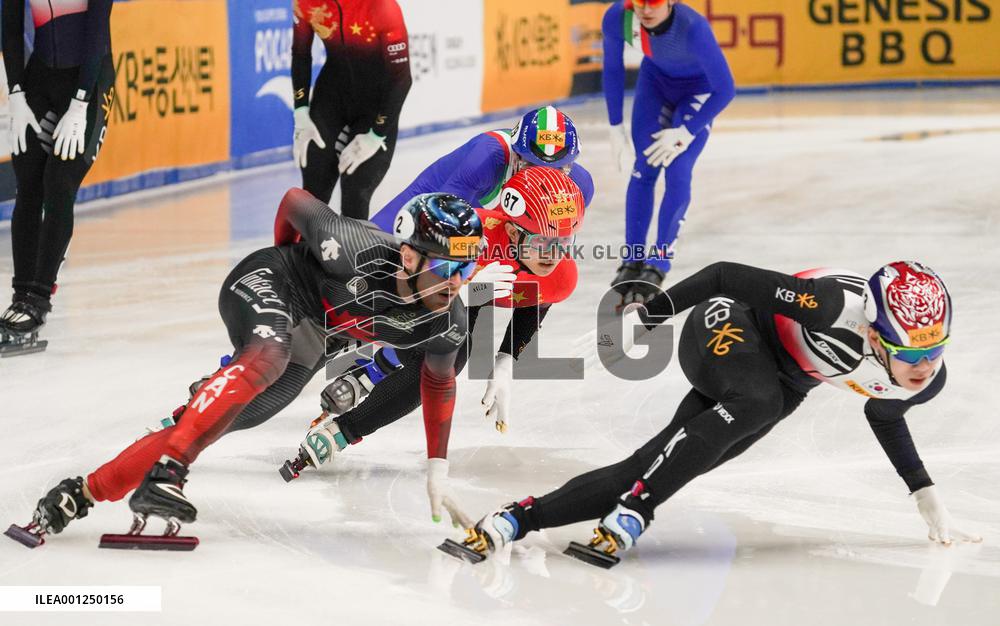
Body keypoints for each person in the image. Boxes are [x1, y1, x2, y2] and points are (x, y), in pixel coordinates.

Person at [9, 188, 483, 547]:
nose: (457, 284)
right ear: (408, 255)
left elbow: (439, 381)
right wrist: (287, 258)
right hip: (273, 279)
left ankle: (81, 493)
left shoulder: (449, 321)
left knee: (219, 420)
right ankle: (169, 472)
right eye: (447, 268)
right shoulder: (352, 247)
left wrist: (436, 468)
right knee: (270, 357)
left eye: (468, 269)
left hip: (312, 333)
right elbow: (294, 201)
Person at [453, 261, 982, 564]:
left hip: (776, 381)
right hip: (726, 327)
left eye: (935, 350)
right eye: (909, 352)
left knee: (661, 461)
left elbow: (884, 414)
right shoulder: (827, 305)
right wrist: (651, 316)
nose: (923, 367)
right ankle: (640, 509)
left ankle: (516, 519)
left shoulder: (926, 376)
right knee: (759, 404)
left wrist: (924, 492)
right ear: (872, 331)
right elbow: (724, 275)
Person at [293, 166, 585, 474]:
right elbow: (403, 288)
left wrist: (506, 359)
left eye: (563, 242)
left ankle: (343, 431)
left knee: (452, 353)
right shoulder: (466, 235)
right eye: (542, 242)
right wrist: (461, 290)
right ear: (513, 232)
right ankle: (374, 366)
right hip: (413, 288)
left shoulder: (561, 274)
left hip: (468, 293)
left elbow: (536, 298)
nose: (553, 254)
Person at [0, 0, 115, 354]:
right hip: (39, 78)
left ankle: (37, 299)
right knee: (28, 185)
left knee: (59, 183)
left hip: (90, 81)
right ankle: (21, 295)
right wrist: (16, 94)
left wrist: (80, 104)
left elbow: (96, 32)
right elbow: (10, 28)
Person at [603, 0, 734, 307]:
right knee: (644, 169)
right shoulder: (618, 17)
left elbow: (725, 88)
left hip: (698, 92)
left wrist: (687, 131)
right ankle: (632, 260)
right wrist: (614, 126)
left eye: (655, 2)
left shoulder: (693, 27)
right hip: (656, 84)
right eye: (640, 2)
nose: (646, 10)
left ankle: (659, 263)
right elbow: (612, 67)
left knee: (677, 170)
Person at [370, 106, 593, 233]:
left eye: (555, 169)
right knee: (373, 255)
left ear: (569, 166)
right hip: (436, 199)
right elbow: (444, 221)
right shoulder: (487, 156)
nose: (542, 175)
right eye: (532, 165)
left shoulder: (579, 187)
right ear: (514, 155)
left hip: (488, 218)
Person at [291, 0, 411, 220]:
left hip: (375, 107)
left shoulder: (383, 7)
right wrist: (300, 111)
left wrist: (377, 133)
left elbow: (401, 79)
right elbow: (300, 54)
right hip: (332, 98)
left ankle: (353, 251)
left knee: (355, 192)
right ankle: (304, 254)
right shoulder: (306, 3)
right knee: (313, 190)